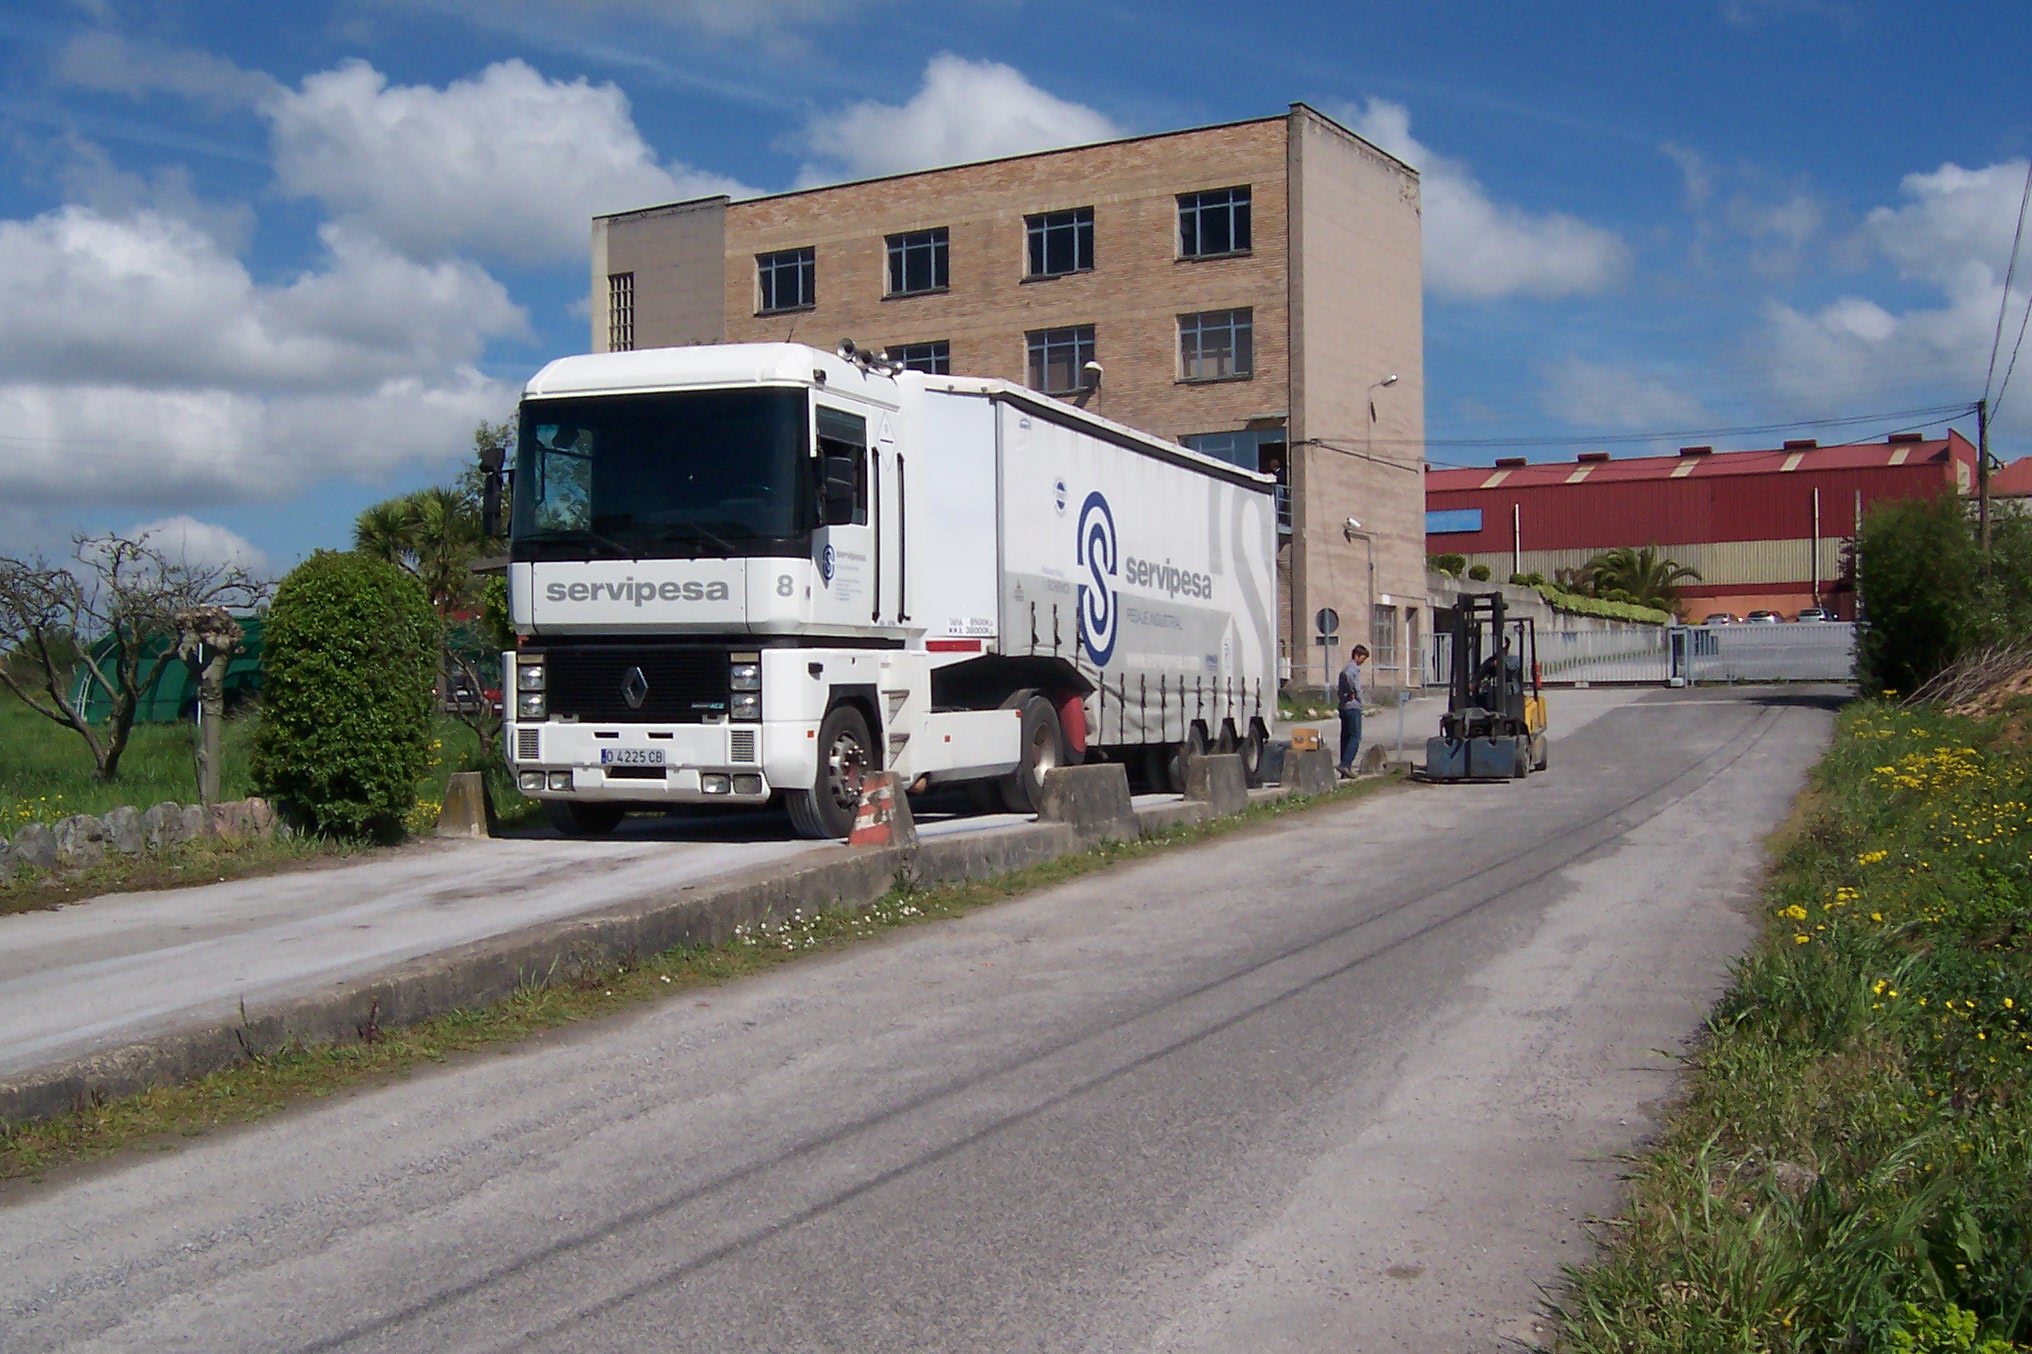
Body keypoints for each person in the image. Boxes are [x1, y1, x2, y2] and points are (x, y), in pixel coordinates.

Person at [1336, 643, 1369, 777]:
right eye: (1363, 658)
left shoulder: (1348, 668)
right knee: (1355, 737)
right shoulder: (1352, 668)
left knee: (1346, 737)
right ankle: (1345, 764)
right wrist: (1353, 693)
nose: (1363, 662)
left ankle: (1344, 767)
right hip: (1352, 706)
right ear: (1357, 656)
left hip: (1344, 706)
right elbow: (1348, 676)